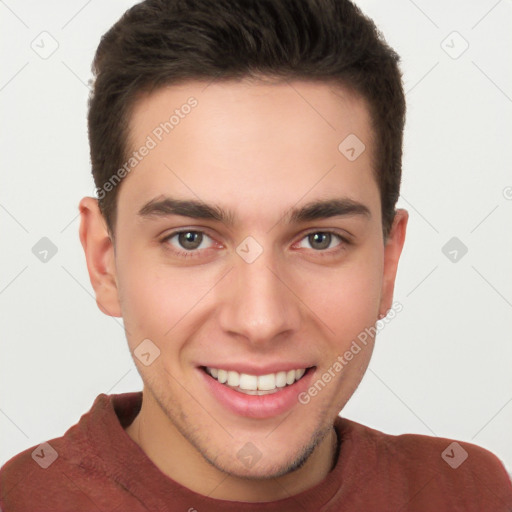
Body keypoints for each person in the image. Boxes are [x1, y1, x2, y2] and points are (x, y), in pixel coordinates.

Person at [1, 0, 511, 510]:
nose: (260, 320)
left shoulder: (468, 493)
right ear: (104, 262)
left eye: (320, 239)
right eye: (190, 239)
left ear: (388, 262)